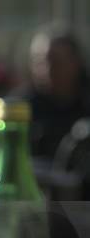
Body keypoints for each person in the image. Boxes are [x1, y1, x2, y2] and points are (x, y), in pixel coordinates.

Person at [24, 26, 90, 159]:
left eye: (56, 62)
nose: (47, 70)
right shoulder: (22, 107)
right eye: (39, 62)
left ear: (75, 62)